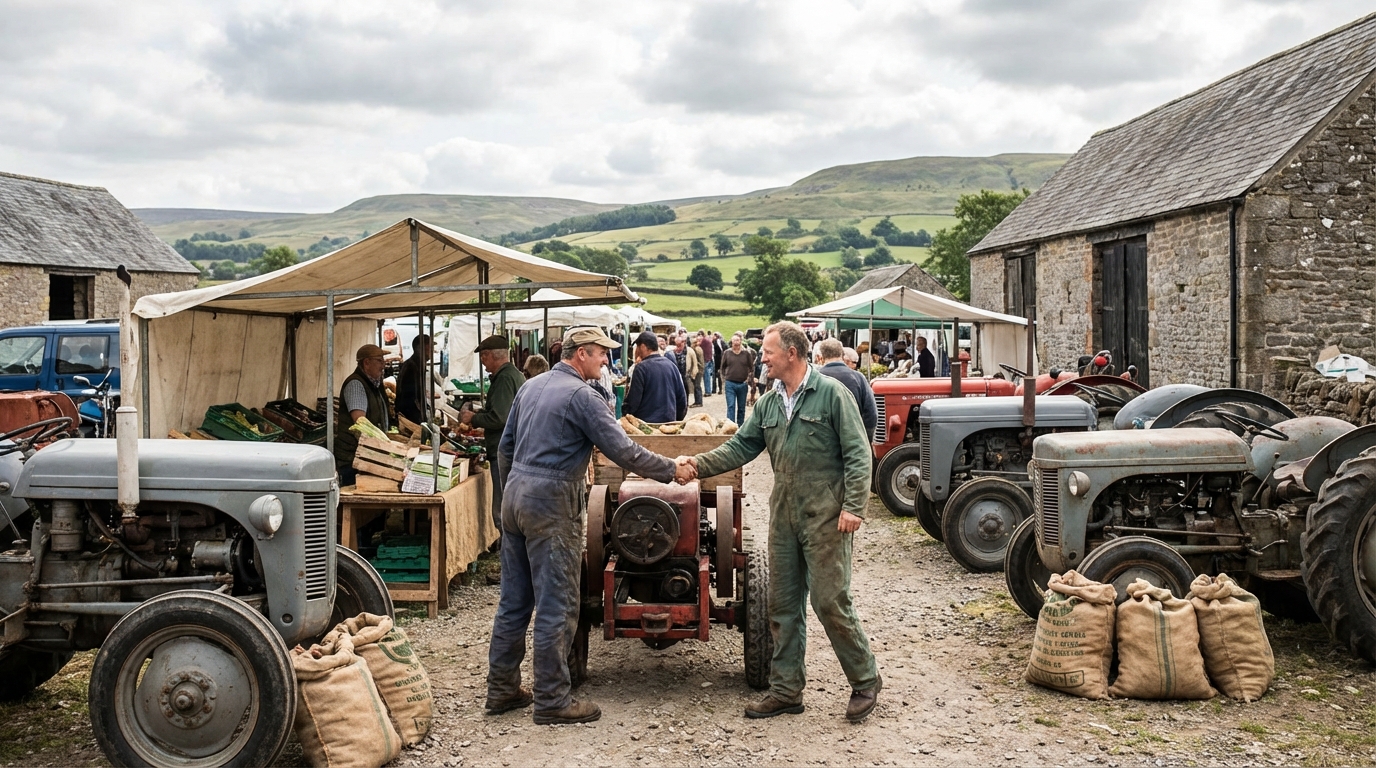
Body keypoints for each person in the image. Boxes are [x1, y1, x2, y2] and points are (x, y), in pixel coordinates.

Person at [486, 327, 694, 726]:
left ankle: (502, 688)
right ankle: (551, 698)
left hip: (515, 497)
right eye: (601, 354)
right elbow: (623, 450)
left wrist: (515, 490)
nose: (606, 361)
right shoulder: (584, 396)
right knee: (557, 602)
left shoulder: (531, 386)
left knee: (514, 600)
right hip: (551, 499)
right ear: (581, 353)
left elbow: (505, 447)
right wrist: (672, 470)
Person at [679, 321, 880, 722]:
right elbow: (740, 447)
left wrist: (854, 506)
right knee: (783, 605)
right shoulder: (769, 404)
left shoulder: (832, 394)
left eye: (768, 351)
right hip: (784, 513)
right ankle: (786, 690)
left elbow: (859, 453)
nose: (762, 357)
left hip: (826, 515)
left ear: (791, 353)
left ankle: (865, 679)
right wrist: (695, 465)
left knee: (829, 601)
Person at [461, 336, 525, 532]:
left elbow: (500, 418)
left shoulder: (504, 378)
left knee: (503, 510)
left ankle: (509, 554)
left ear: (488, 355)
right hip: (513, 448)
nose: (482, 362)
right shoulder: (512, 374)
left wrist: (473, 418)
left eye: (483, 357)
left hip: (504, 450)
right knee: (511, 505)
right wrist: (481, 414)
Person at [334, 344, 392, 486]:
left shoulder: (374, 384)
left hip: (365, 453)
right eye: (379, 361)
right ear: (366, 363)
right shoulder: (356, 384)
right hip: (353, 456)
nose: (383, 365)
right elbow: (360, 423)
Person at [815, 338, 877, 440]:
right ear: (843, 356)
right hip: (853, 440)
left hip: (822, 442)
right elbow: (871, 414)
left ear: (820, 357)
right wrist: (865, 439)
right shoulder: (858, 378)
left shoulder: (814, 378)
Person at [623, 330, 686, 423]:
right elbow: (682, 400)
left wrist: (625, 413)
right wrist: (676, 420)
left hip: (646, 425)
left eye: (638, 347)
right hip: (668, 423)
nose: (638, 351)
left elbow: (634, 401)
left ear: (643, 347)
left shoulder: (641, 368)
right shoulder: (671, 366)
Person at [395, 334, 434, 424]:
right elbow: (411, 397)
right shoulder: (412, 367)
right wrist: (420, 417)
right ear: (421, 348)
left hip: (410, 414)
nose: (432, 350)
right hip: (409, 416)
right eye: (430, 346)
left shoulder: (417, 365)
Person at [719, 332, 755, 425]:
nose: (736, 342)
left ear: (741, 341)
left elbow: (751, 368)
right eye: (734, 340)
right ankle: (730, 426)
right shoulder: (727, 353)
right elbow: (722, 367)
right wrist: (724, 380)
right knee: (731, 406)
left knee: (741, 407)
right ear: (731, 341)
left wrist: (749, 379)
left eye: (738, 340)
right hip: (730, 383)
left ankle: (740, 427)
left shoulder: (746, 354)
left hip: (742, 384)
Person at [698, 330, 716, 397]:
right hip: (710, 359)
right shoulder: (708, 340)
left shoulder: (704, 341)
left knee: (706, 377)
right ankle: (709, 390)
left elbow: (698, 346)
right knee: (708, 376)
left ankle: (708, 391)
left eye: (699, 335)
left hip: (705, 360)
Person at [690, 335, 706, 407]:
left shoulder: (696, 349)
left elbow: (699, 361)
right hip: (699, 369)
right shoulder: (698, 348)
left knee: (697, 385)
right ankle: (697, 401)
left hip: (698, 370)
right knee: (696, 385)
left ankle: (698, 401)